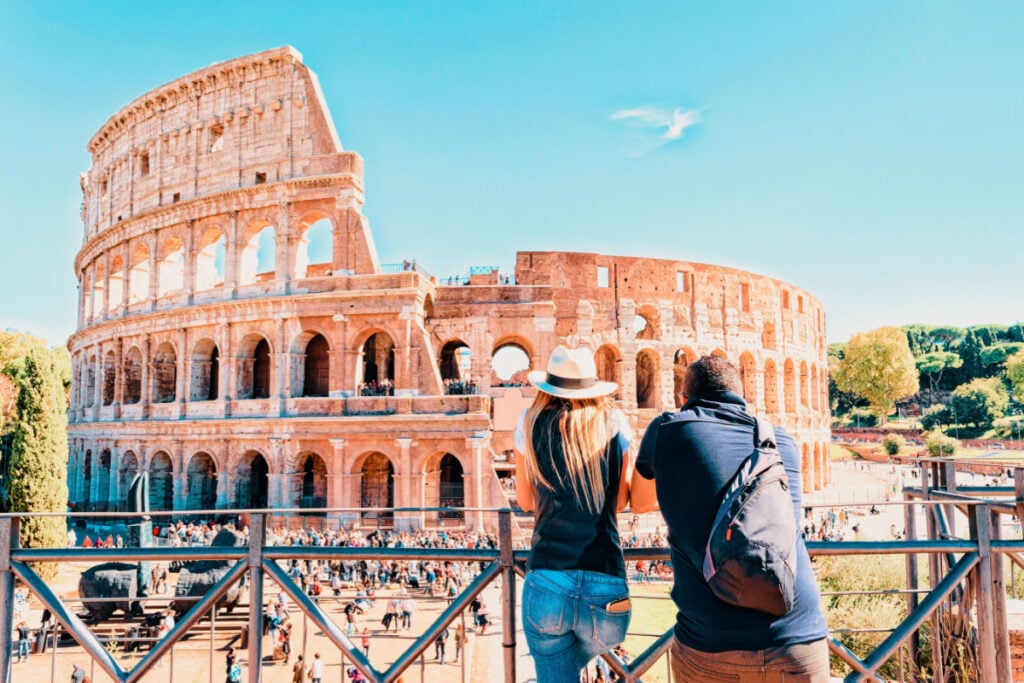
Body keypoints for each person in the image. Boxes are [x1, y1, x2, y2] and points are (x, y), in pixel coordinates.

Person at [632, 355, 829, 682]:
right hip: (800, 636)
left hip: (712, 642)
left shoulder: (667, 429)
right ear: (743, 397)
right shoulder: (782, 440)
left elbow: (639, 502)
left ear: (683, 399)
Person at [514, 345, 634, 683]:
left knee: (555, 672)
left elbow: (524, 501)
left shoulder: (530, 420)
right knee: (563, 669)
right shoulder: (614, 421)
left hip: (548, 579)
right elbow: (621, 501)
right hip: (607, 586)